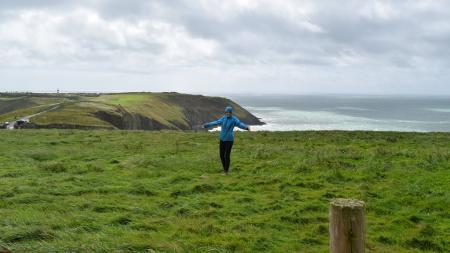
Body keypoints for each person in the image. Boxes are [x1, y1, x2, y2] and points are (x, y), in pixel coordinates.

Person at [203, 106, 250, 174]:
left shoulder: (234, 119)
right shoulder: (223, 118)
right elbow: (216, 122)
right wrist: (207, 125)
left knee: (226, 155)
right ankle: (225, 168)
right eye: (226, 112)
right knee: (221, 155)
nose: (227, 113)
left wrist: (246, 127)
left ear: (231, 113)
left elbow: (239, 124)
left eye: (229, 112)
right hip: (222, 139)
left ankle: (226, 171)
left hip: (229, 140)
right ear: (225, 112)